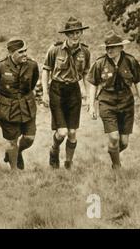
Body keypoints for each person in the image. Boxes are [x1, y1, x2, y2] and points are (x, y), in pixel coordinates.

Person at [87, 31, 140, 169]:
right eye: (107, 47)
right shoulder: (100, 63)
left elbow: (138, 82)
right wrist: (91, 105)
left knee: (124, 142)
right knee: (114, 137)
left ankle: (112, 151)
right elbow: (93, 84)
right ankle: (116, 167)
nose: (109, 50)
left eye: (113, 47)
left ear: (121, 47)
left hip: (126, 102)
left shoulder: (130, 61)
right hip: (107, 101)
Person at [42, 17, 91, 169]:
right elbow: (46, 70)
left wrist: (87, 95)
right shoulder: (55, 49)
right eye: (71, 33)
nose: (75, 36)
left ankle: (68, 163)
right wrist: (45, 92)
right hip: (57, 90)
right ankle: (54, 149)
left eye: (78, 33)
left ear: (81, 33)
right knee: (62, 132)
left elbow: (85, 74)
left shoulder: (85, 51)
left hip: (73, 91)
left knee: (72, 132)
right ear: (66, 35)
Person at [0, 39, 39, 170]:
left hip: (27, 105)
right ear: (11, 53)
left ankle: (17, 153)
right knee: (12, 141)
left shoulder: (32, 65)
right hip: (7, 107)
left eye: (25, 51)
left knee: (29, 138)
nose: (25, 54)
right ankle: (14, 171)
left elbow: (33, 82)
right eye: (20, 52)